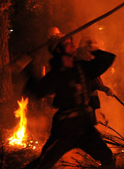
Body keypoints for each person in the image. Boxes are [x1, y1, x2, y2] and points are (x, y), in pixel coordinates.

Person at [24, 29, 116, 169]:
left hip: (85, 127)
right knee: (43, 164)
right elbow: (38, 90)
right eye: (67, 43)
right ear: (59, 50)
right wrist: (28, 68)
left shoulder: (82, 68)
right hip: (65, 129)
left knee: (107, 158)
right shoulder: (56, 74)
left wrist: (95, 50)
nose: (72, 44)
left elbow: (107, 59)